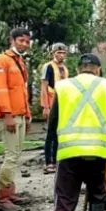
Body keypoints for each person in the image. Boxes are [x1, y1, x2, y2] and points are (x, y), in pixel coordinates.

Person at [47, 53, 106, 211]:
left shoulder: (63, 86)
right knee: (98, 194)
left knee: (64, 201)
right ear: (98, 69)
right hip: (97, 154)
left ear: (78, 69)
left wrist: (50, 154)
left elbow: (52, 122)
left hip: (69, 154)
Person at [0, 28, 32, 211]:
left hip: (20, 114)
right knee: (11, 156)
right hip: (10, 116)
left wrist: (28, 114)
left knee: (16, 155)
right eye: (21, 40)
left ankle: (10, 192)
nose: (24, 44)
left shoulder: (19, 61)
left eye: (27, 41)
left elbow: (22, 91)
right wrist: (7, 115)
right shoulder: (1, 61)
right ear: (12, 40)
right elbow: (0, 90)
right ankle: (2, 197)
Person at [41, 43, 69, 174]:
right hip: (52, 102)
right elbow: (44, 88)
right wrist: (45, 107)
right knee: (51, 134)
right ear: (53, 53)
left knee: (60, 133)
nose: (61, 55)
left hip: (63, 104)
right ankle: (49, 162)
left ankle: (57, 159)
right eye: (58, 53)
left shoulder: (65, 68)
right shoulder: (48, 67)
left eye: (63, 53)